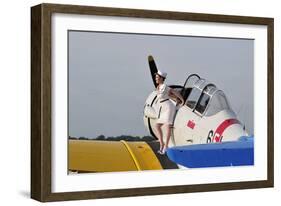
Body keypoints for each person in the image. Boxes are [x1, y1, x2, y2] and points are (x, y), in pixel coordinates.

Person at [154, 70, 184, 155]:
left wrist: (182, 100)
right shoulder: (158, 87)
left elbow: (175, 92)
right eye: (156, 77)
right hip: (162, 108)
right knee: (157, 125)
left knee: (167, 126)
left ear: (161, 78)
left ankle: (166, 146)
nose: (155, 79)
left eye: (157, 77)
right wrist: (175, 99)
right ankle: (162, 143)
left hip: (168, 107)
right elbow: (169, 95)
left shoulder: (165, 86)